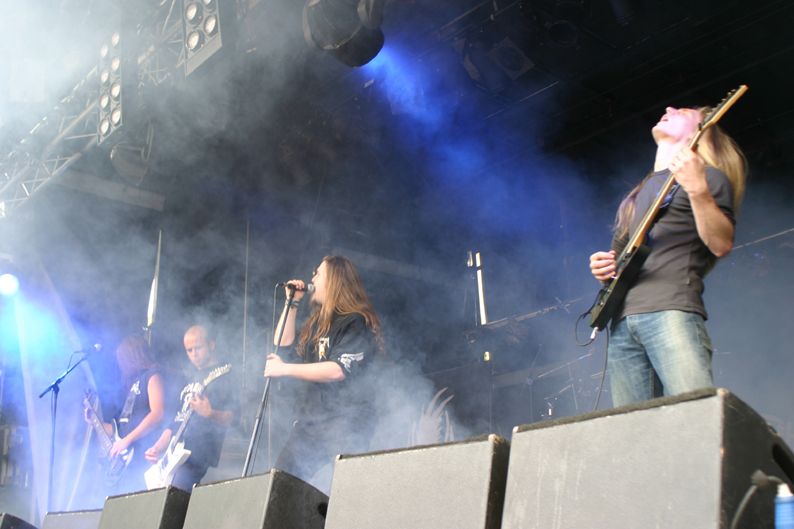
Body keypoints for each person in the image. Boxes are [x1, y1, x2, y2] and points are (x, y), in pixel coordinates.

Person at [589, 105, 747, 407]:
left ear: (700, 132)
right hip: (623, 323)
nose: (668, 108)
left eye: (683, 112)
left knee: (694, 413)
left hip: (671, 310)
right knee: (633, 427)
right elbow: (618, 262)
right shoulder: (639, 193)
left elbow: (721, 244)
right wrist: (602, 267)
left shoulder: (709, 177)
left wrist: (697, 189)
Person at [265, 255, 384, 491]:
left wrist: (284, 369)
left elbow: (337, 370)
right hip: (311, 423)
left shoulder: (354, 321)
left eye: (318, 274)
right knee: (280, 486)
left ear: (334, 281)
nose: (312, 279)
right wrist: (292, 303)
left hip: (346, 422)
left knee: (344, 492)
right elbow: (281, 343)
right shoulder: (317, 323)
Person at [144, 324, 238, 491]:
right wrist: (157, 447)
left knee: (175, 494)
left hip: (199, 454)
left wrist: (210, 413)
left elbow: (232, 418)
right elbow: (175, 422)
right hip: (176, 453)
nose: (194, 354)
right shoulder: (188, 377)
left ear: (211, 345)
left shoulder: (224, 375)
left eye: (198, 348)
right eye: (189, 350)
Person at [94, 334, 165, 493]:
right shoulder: (133, 383)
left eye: (122, 359)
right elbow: (119, 430)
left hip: (143, 453)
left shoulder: (153, 376)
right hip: (127, 460)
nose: (121, 364)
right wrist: (94, 421)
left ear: (133, 357)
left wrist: (127, 440)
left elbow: (157, 414)